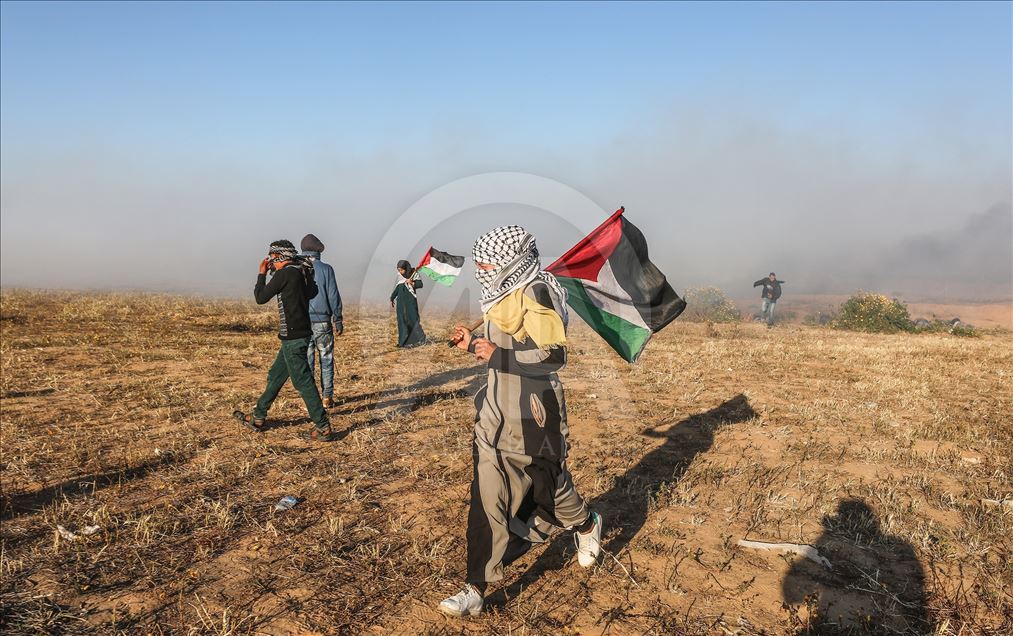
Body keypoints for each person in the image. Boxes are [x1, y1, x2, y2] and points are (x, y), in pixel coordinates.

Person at [439, 226, 602, 618]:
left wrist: (497, 355)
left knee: (548, 490)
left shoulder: (539, 293)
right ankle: (475, 588)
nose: (480, 267)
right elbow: (495, 331)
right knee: (486, 498)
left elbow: (554, 358)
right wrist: (472, 339)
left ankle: (584, 523)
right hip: (494, 415)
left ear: (511, 262)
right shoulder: (500, 295)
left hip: (536, 416)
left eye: (487, 261)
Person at [233, 240, 336, 441]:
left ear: (279, 257)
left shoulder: (285, 273)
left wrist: (261, 273)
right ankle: (258, 416)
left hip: (293, 337)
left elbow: (260, 297)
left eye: (272, 258)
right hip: (300, 334)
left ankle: (323, 426)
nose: (270, 262)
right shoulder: (299, 272)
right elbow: (311, 293)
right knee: (276, 376)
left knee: (303, 381)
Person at [300, 233, 343, 408]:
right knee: (326, 359)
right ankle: (327, 397)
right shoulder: (326, 269)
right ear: (318, 251)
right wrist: (338, 318)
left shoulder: (296, 269)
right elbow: (333, 296)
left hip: (302, 322)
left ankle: (311, 400)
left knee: (307, 362)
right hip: (323, 322)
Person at [390, 260, 426, 347]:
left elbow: (420, 284)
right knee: (402, 321)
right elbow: (397, 288)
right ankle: (403, 342)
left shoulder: (414, 274)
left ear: (406, 268)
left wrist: (412, 283)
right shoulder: (400, 277)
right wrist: (392, 297)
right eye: (398, 270)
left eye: (402, 270)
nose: (400, 272)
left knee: (413, 320)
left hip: (410, 302)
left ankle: (421, 339)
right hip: (401, 303)